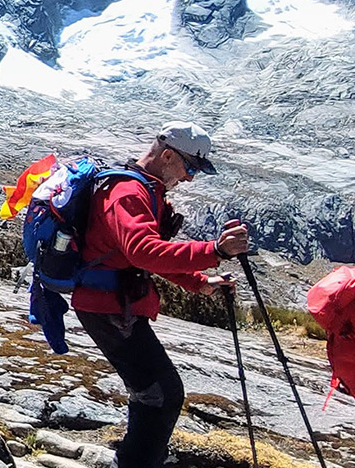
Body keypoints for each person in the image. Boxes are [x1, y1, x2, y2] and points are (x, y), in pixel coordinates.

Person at [71, 122, 249, 468]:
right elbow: (143, 251)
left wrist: (200, 281)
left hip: (113, 303)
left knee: (155, 392)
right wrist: (215, 251)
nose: (190, 178)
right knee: (161, 395)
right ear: (167, 156)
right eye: (190, 167)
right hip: (107, 306)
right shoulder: (128, 193)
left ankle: (133, 458)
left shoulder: (143, 190)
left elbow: (145, 254)